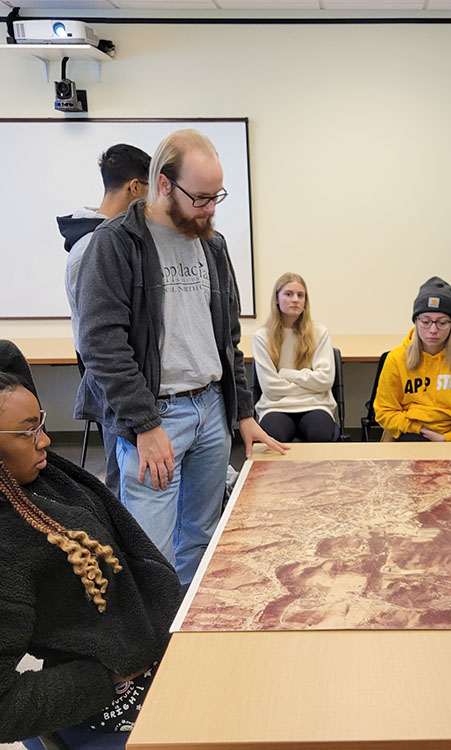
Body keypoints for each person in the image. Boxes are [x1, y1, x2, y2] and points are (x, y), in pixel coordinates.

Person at [0, 356, 181, 748]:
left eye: (41, 423)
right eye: (27, 431)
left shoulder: (30, 477)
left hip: (147, 652)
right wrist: (106, 678)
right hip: (100, 706)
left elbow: (2, 353)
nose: (46, 440)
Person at [75, 128, 285, 585]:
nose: (210, 209)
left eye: (217, 197)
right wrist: (145, 424)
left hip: (211, 408)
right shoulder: (115, 243)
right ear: (164, 184)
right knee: (150, 549)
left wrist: (243, 413)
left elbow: (227, 337)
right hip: (157, 416)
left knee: (202, 535)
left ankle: (188, 637)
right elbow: (101, 344)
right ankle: (155, 652)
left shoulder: (212, 243)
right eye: (202, 198)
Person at [58, 143, 150, 498]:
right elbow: (94, 336)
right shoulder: (93, 247)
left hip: (123, 379)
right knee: (124, 478)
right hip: (114, 382)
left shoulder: (112, 239)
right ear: (135, 188)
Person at [374, 276, 451, 443]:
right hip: (415, 433)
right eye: (425, 321)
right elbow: (384, 411)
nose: (433, 330)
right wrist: (420, 429)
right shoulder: (396, 359)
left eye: (442, 323)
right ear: (416, 322)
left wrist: (448, 439)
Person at [252, 272, 337, 442]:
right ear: (277, 298)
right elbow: (270, 388)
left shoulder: (320, 332)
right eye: (288, 294)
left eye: (301, 295)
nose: (295, 299)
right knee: (273, 436)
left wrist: (286, 374)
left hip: (316, 405)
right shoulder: (262, 336)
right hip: (276, 407)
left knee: (320, 434)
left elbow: (325, 381)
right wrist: (309, 384)